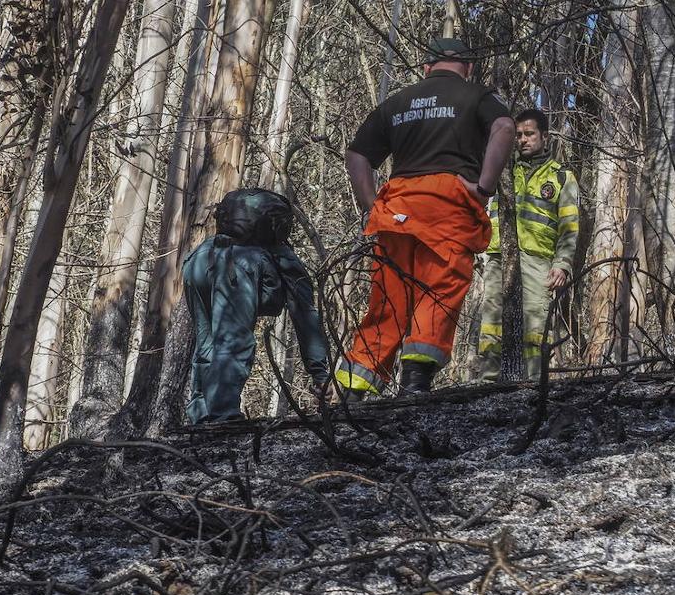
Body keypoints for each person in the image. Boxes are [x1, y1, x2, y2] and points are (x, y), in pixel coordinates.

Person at [336, 37, 515, 398]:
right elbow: (505, 128)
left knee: (388, 299)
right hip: (446, 206)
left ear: (427, 68)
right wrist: (484, 187)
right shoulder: (477, 96)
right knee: (439, 291)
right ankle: (415, 384)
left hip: (396, 207)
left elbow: (357, 156)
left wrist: (372, 205)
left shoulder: (396, 103)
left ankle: (352, 391)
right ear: (468, 68)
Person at [183, 188, 332, 424]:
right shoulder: (282, 256)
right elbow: (305, 315)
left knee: (207, 344)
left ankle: (200, 416)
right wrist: (320, 373)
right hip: (236, 270)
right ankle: (222, 417)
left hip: (196, 263)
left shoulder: (212, 246)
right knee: (234, 342)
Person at [478, 109, 579, 381]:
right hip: (499, 257)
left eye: (529, 134)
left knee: (535, 327)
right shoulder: (502, 171)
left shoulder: (561, 177)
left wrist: (563, 264)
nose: (523, 140)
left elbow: (569, 227)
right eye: (519, 135)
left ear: (544, 136)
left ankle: (534, 385)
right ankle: (488, 383)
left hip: (538, 261)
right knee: (491, 326)